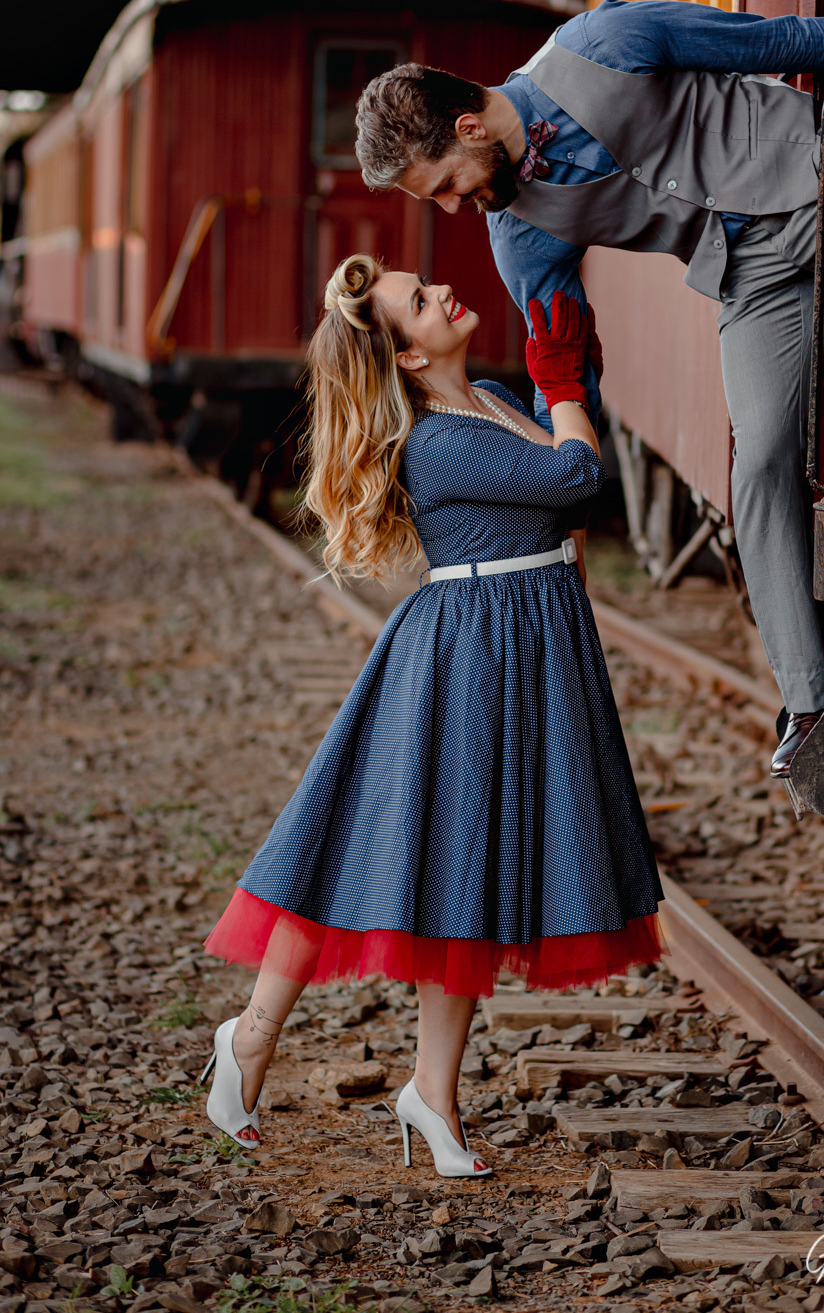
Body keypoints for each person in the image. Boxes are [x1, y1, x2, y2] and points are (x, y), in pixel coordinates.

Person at [353, 0, 824, 776]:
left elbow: (770, 38)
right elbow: (560, 367)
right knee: (760, 459)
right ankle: (809, 701)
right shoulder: (519, 230)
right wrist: (557, 496)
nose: (449, 208)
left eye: (443, 185)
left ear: (469, 128)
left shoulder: (601, 43)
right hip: (752, 273)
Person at [200, 255, 663, 1176]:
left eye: (428, 283)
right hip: (463, 662)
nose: (444, 290)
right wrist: (564, 382)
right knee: (355, 851)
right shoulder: (438, 441)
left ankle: (433, 1098)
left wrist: (548, 389)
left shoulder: (486, 398)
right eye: (422, 301)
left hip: (521, 648)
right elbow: (576, 481)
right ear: (409, 357)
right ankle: (248, 1037)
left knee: (468, 875)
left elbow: (558, 501)